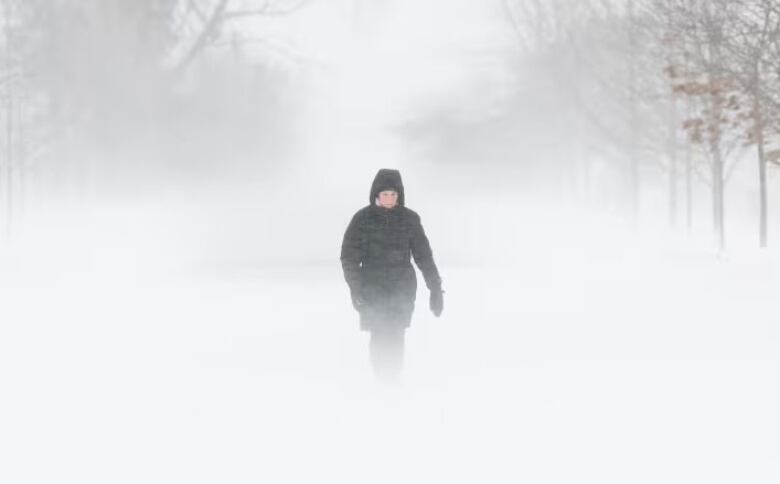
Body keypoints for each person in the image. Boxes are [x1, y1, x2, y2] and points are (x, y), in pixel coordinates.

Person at [340, 168, 444, 383]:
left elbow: (423, 255)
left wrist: (435, 287)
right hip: (372, 288)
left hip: (402, 288)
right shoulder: (362, 219)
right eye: (385, 194)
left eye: (393, 194)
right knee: (379, 335)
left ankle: (392, 381)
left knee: (396, 334)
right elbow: (349, 257)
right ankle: (382, 381)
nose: (389, 199)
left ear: (400, 195)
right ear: (376, 194)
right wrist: (356, 288)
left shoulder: (409, 219)